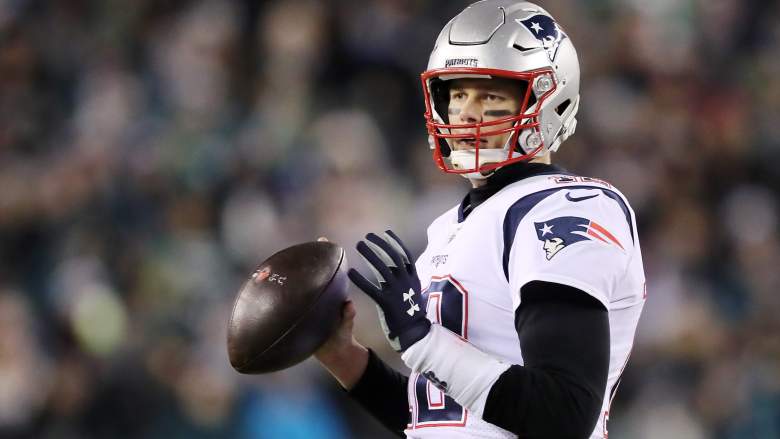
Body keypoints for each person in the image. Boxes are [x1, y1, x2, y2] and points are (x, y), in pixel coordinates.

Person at [315, 1, 646, 438]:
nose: (466, 111)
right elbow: (443, 419)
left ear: (549, 100)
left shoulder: (569, 207)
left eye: (490, 95)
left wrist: (420, 339)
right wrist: (344, 356)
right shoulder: (448, 227)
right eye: (456, 94)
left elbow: (562, 416)